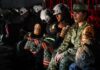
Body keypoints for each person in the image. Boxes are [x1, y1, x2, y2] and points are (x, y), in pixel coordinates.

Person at [47, 3, 95, 70]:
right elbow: (66, 42)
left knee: (64, 61)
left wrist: (63, 54)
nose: (74, 15)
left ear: (84, 14)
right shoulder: (73, 27)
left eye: (77, 13)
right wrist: (59, 51)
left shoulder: (88, 28)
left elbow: (81, 48)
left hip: (83, 55)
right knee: (55, 55)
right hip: (73, 52)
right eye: (74, 12)